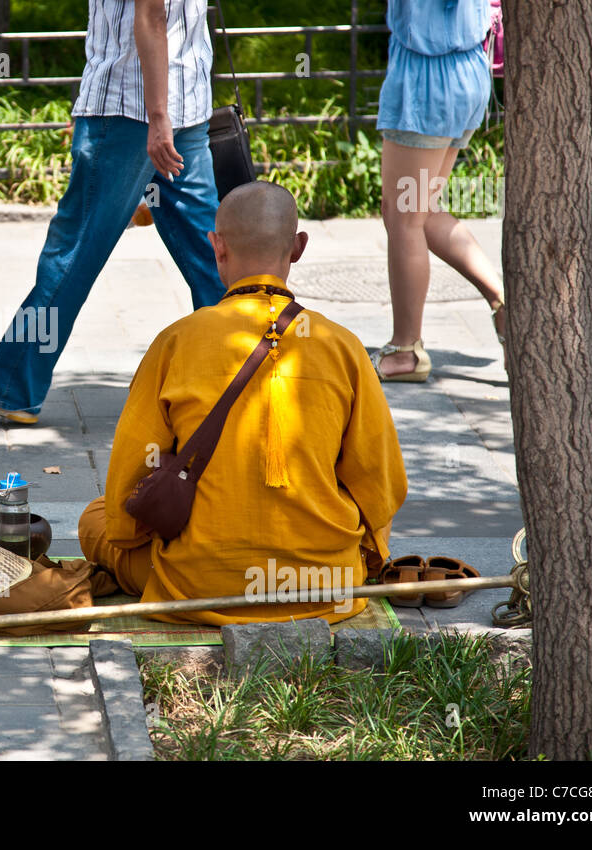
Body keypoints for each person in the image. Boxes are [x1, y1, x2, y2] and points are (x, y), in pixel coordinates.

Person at [0, 0, 224, 423]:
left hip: (134, 112)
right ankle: (249, 370)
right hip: (184, 98)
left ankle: (14, 386)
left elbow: (151, 10)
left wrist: (156, 117)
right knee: (212, 251)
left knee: (72, 250)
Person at [78, 182, 408, 625]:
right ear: (297, 248)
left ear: (217, 247)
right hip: (325, 589)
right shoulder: (342, 346)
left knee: (95, 518)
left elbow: (125, 495)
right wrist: (367, 554)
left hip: (196, 587)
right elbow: (382, 486)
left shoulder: (176, 341)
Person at [351, 0, 507, 382]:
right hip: (462, 72)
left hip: (428, 82)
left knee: (402, 217)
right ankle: (504, 301)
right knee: (419, 208)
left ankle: (406, 350)